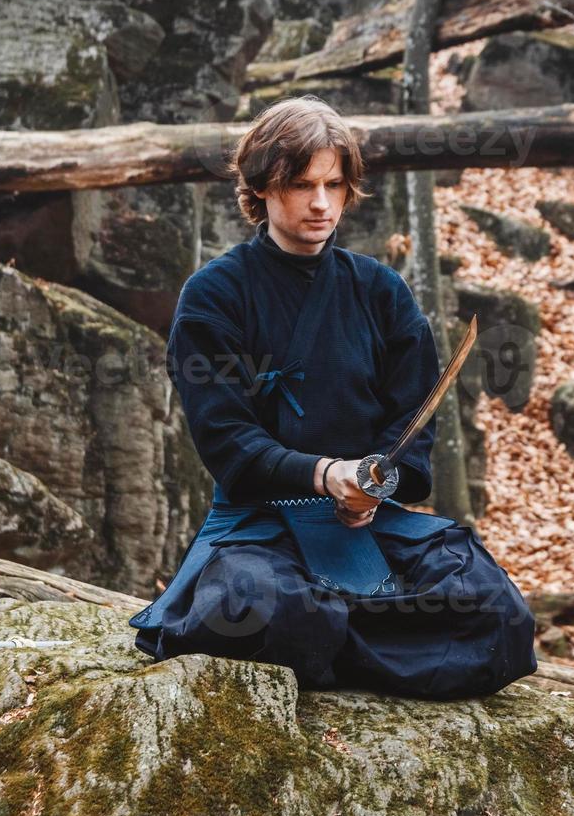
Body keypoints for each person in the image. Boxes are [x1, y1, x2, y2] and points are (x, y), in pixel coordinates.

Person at [128, 95, 538, 700]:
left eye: (334, 184)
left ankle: (336, 644)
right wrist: (324, 474)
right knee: (262, 605)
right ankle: (366, 643)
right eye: (301, 185)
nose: (321, 203)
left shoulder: (381, 291)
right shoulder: (214, 295)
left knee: (493, 606)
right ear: (263, 187)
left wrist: (376, 487)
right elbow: (228, 441)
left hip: (366, 524)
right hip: (259, 527)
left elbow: (411, 426)